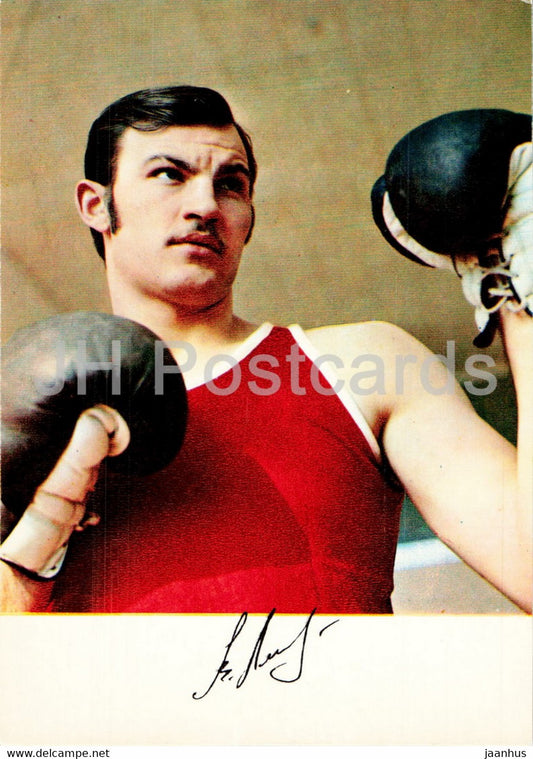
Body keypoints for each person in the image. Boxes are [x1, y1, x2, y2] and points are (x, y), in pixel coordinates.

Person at [0, 86, 531, 613]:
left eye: (231, 184)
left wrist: (518, 286)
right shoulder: (20, 419)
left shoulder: (365, 366)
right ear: (97, 205)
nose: (206, 206)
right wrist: (40, 532)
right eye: (169, 174)